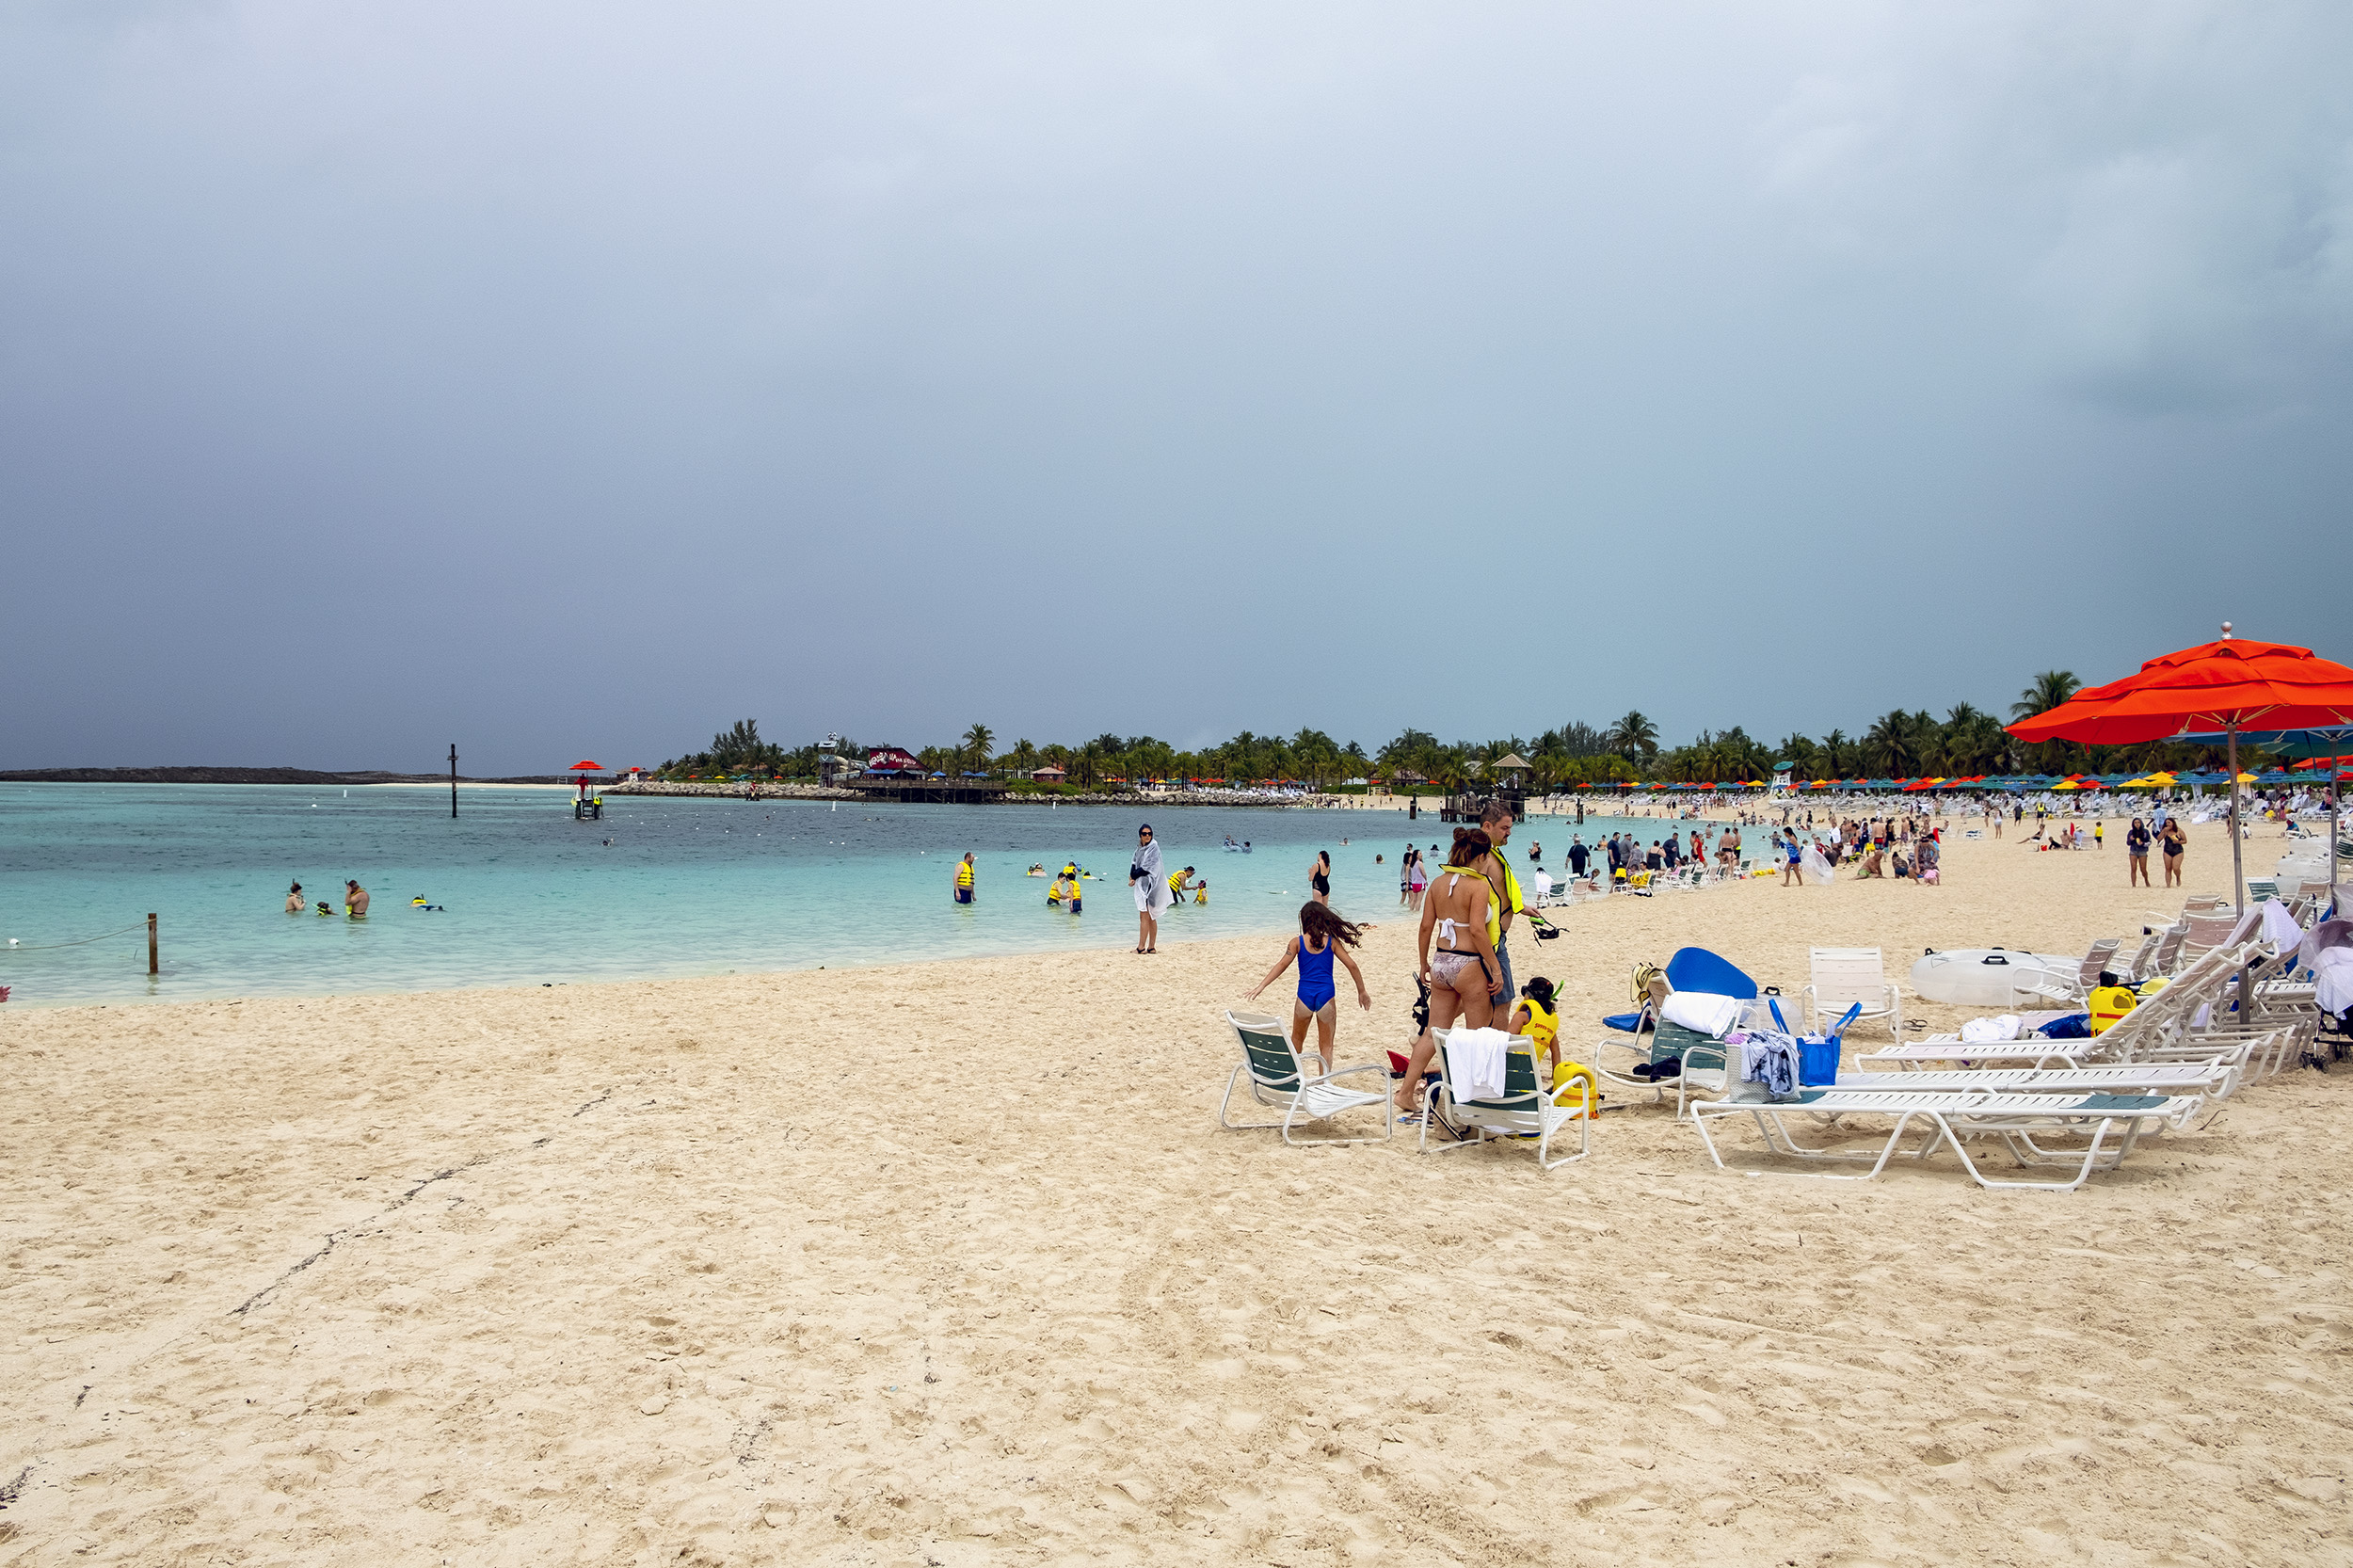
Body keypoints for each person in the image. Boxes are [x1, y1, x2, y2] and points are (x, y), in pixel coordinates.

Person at [1396, 831, 1501, 1114]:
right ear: (1480, 856)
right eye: (1487, 856)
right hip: (1468, 963)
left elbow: (1425, 927)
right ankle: (1472, 1098)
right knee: (1477, 1035)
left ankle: (1405, 1093)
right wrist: (1494, 967)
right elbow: (1478, 930)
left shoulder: (1438, 884)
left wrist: (1423, 963)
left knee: (1432, 1033)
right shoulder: (1479, 885)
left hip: (1441, 961)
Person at [1245, 903, 1371, 1074]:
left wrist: (1261, 986)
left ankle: (1292, 1077)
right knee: (1326, 1046)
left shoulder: (1296, 942)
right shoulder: (1331, 942)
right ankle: (1323, 1082)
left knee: (1297, 1040)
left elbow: (1282, 964)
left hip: (1304, 997)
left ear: (1304, 921)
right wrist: (1362, 991)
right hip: (1326, 997)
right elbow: (1352, 966)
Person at [1129, 824, 1167, 952]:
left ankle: (1141, 947)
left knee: (1145, 916)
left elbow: (1147, 868)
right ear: (1140, 835)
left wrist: (1134, 875)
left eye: (1149, 834)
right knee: (1149, 916)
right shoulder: (1139, 848)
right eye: (1145, 834)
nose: (1147, 836)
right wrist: (1132, 876)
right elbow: (1134, 864)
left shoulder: (1153, 847)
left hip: (1150, 886)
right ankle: (1151, 947)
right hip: (1143, 885)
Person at [2125, 817, 2152, 887]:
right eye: (2135, 823)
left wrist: (2143, 844)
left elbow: (2149, 842)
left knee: (2143, 869)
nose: (2137, 824)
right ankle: (2133, 884)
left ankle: (2146, 880)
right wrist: (2130, 839)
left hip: (2142, 851)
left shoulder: (2145, 832)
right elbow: (2128, 843)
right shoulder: (2131, 832)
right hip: (2133, 850)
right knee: (2133, 868)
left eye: (2138, 822)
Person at [2161, 819, 2186, 887]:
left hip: (2178, 851)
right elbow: (2158, 838)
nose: (2168, 824)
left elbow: (2185, 841)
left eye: (2169, 822)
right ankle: (2168, 885)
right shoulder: (2165, 831)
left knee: (2176, 868)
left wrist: (2178, 842)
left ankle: (2178, 877)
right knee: (2168, 868)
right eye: (2166, 823)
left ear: (2173, 823)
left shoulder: (2179, 831)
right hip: (2167, 850)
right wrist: (2163, 831)